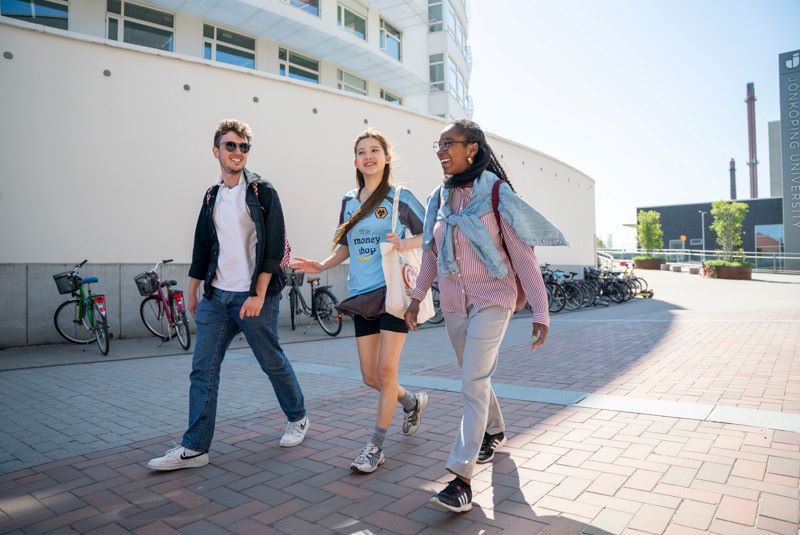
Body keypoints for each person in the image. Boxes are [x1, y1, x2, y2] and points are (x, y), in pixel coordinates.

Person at [404, 119, 567, 513]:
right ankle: (494, 430)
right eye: (438, 145)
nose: (442, 151)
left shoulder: (495, 193)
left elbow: (523, 254)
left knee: (472, 381)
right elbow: (429, 252)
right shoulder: (437, 200)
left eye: (449, 144)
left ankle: (460, 479)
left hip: (494, 297)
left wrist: (541, 311)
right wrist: (416, 296)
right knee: (473, 376)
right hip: (456, 302)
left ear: (472, 148)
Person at [148, 119, 309, 471]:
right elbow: (203, 244)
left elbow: (274, 243)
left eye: (243, 147)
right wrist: (193, 288)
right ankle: (195, 447)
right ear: (216, 150)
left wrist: (258, 293)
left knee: (271, 361)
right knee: (202, 370)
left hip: (255, 298)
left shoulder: (262, 191)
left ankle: (297, 416)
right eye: (231, 145)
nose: (237, 152)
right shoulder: (212, 196)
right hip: (217, 298)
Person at [291, 128, 429, 473]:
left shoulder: (400, 196)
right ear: (355, 161)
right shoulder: (349, 200)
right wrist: (322, 264)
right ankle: (411, 401)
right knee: (371, 378)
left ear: (387, 157)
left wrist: (405, 244)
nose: (368, 156)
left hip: (394, 293)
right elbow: (346, 246)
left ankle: (374, 447)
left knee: (386, 370)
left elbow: (432, 233)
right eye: (362, 151)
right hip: (362, 295)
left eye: (374, 150)